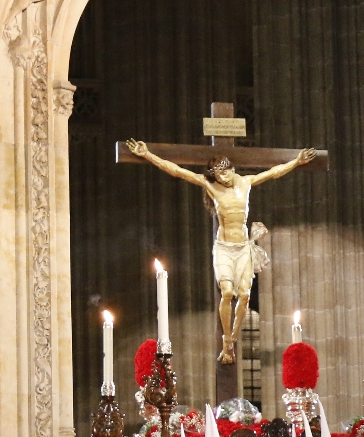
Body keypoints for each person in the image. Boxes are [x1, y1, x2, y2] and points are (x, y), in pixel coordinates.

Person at [124, 139, 316, 363]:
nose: (222, 179)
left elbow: (273, 172)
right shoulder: (212, 187)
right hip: (224, 247)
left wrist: (296, 161)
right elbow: (177, 171)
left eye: (224, 174)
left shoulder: (246, 182)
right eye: (218, 177)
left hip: (243, 247)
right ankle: (227, 341)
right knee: (227, 293)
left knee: (244, 295)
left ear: (231, 169)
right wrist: (148, 155)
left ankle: (231, 343)